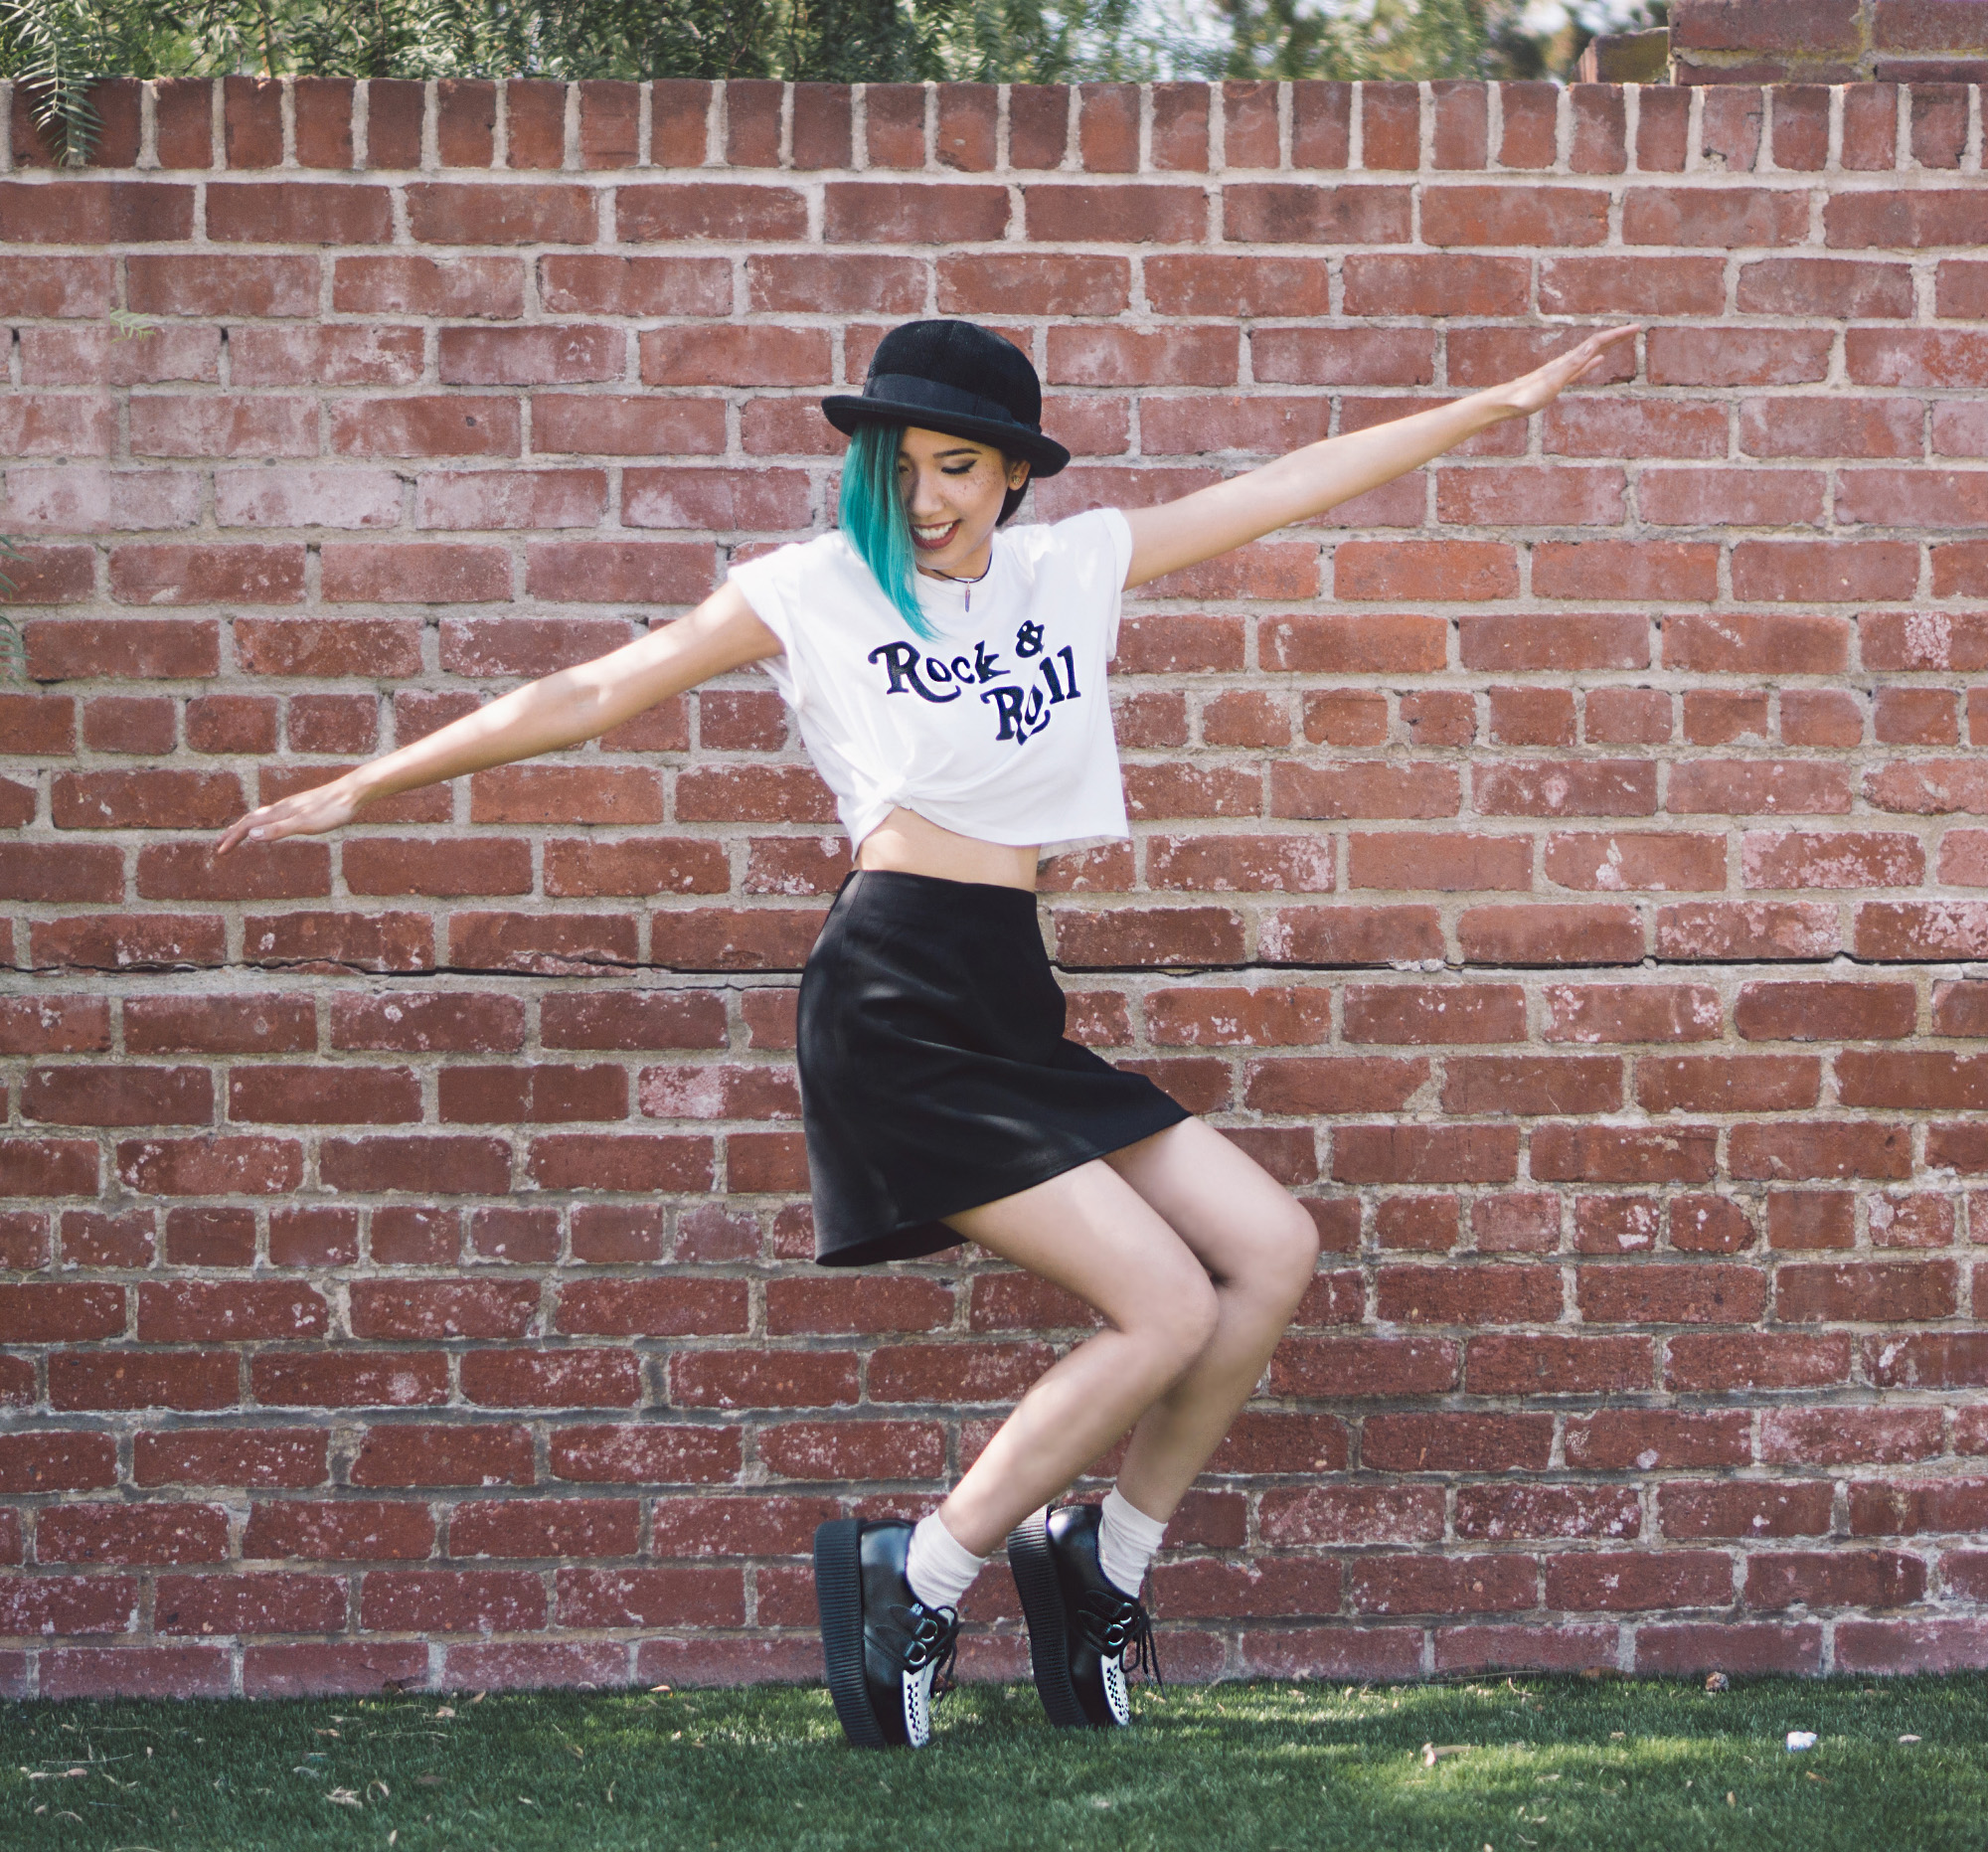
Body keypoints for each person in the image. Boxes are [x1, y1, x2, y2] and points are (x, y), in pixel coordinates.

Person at [218, 314, 1638, 1752]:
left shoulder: (1067, 569)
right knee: (1165, 1304)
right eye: (900, 467)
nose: (927, 498)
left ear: (1015, 475)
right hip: (893, 998)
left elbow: (1288, 482)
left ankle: (1102, 1575)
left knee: (1270, 1251)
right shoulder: (813, 589)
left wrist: (1504, 399)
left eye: (959, 467)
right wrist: (369, 785)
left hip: (1008, 990)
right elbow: (590, 689)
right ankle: (925, 1573)